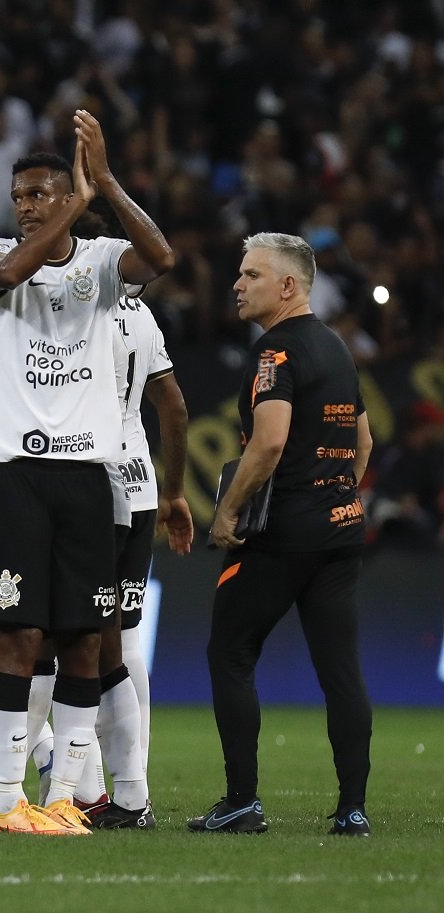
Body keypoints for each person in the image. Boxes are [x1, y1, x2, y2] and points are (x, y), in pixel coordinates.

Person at [0, 108, 175, 834]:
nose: (23, 206)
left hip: (87, 476)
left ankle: (63, 802)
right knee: (19, 636)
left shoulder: (99, 264)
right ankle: (4, 799)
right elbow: (11, 269)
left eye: (38, 194)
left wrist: (108, 183)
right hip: (9, 475)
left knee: (85, 638)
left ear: (65, 193)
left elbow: (163, 259)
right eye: (19, 195)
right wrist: (75, 208)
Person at [191, 232, 373, 836]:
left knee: (230, 653)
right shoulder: (339, 350)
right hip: (340, 532)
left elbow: (268, 442)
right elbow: (363, 443)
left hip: (280, 536)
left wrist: (226, 514)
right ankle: (352, 809)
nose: (237, 285)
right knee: (340, 669)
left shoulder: (275, 354)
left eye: (251, 275)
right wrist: (333, 495)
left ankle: (242, 801)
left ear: (288, 286)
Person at [85, 294, 193, 829]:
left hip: (84, 476)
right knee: (125, 642)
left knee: (74, 638)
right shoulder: (142, 314)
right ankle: (134, 784)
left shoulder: (64, 302)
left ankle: (81, 788)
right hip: (139, 482)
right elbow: (172, 407)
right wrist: (173, 492)